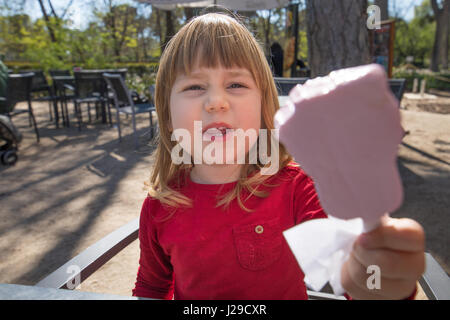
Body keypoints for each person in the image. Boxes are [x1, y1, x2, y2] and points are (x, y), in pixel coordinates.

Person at [132, 13, 425, 300]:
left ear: (264, 108)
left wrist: (377, 281)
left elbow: (348, 271)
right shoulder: (159, 207)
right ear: (168, 116)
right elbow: (152, 287)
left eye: (236, 85)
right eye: (194, 86)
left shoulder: (296, 188)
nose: (216, 102)